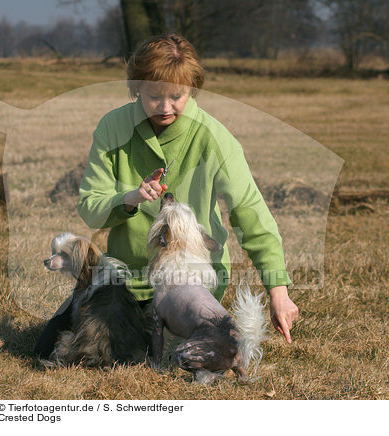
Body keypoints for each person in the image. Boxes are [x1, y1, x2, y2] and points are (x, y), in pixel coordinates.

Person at [76, 34, 299, 344]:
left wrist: (278, 292)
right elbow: (90, 207)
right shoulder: (112, 127)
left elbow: (251, 214)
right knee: (53, 346)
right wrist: (130, 199)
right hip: (128, 282)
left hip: (192, 287)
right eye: (154, 96)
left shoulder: (214, 137)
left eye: (177, 96)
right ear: (136, 87)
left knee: (165, 355)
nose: (165, 107)